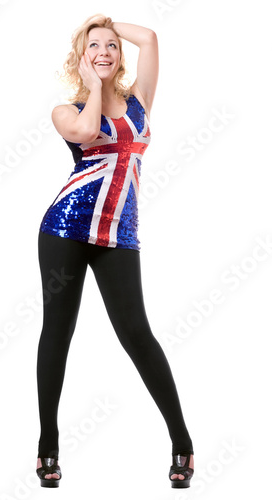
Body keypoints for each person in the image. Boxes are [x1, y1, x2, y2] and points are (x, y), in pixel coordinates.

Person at [35, 14, 194, 489]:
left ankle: (182, 443)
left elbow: (150, 37)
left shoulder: (141, 102)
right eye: (93, 47)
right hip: (65, 229)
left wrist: (101, 22)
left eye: (110, 47)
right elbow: (86, 133)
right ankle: (47, 448)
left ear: (120, 55)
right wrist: (92, 82)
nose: (104, 52)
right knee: (57, 334)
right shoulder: (68, 109)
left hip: (119, 234)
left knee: (137, 335)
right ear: (80, 58)